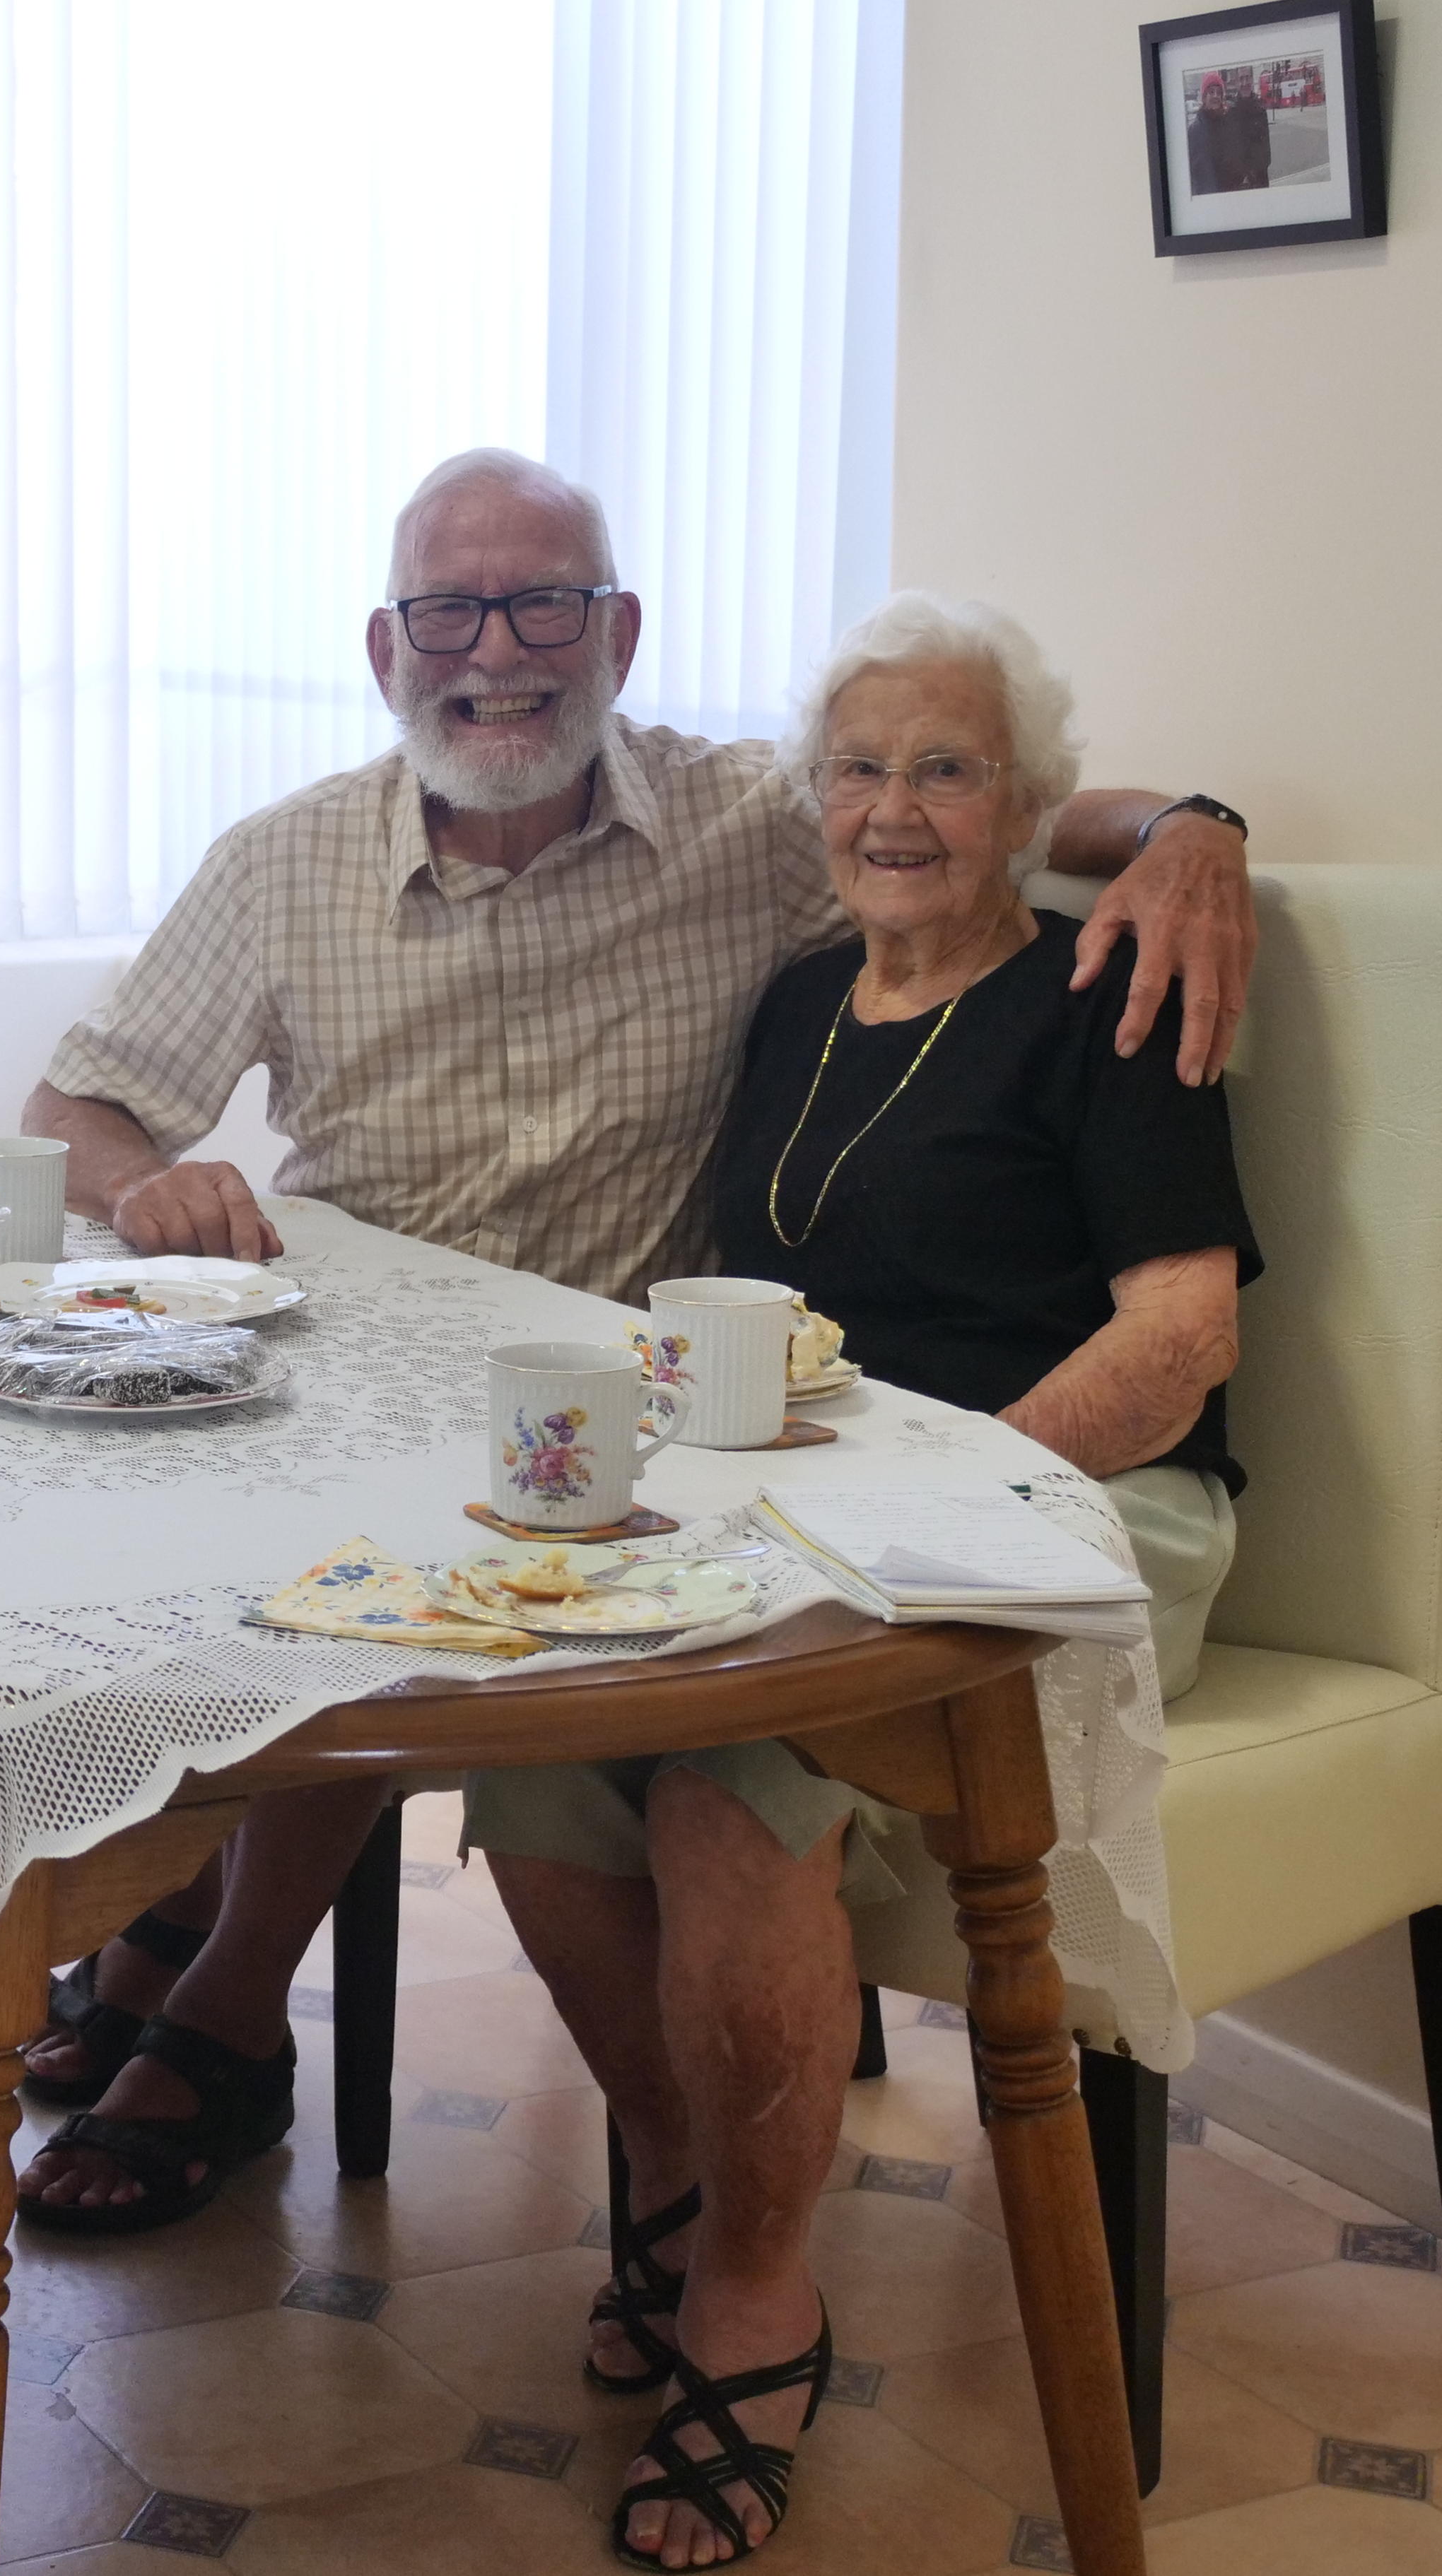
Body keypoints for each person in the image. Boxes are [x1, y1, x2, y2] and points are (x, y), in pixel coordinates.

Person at [3, 449, 1256, 2246]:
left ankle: (207, 1992)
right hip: (374, 1372)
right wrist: (147, 1192)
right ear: (386, 646)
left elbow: (995, 810)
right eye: (450, 608)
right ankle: (184, 1941)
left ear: (620, 633)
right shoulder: (287, 867)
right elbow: (81, 1113)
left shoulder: (756, 828)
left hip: (628, 1428)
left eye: (544, 605)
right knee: (201, 1542)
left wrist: (1191, 829)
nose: (496, 651)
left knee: (436, 1598)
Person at [466, 591, 1255, 2568]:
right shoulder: (802, 1003)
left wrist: (963, 1481)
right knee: (543, 1761)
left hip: (1081, 1499)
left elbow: (1180, 1340)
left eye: (949, 767)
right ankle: (674, 2162)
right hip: (826, 1503)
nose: (894, 807)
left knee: (739, 1776)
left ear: (1029, 804)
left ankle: (755, 2291)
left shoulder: (1104, 997)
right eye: (862, 767)